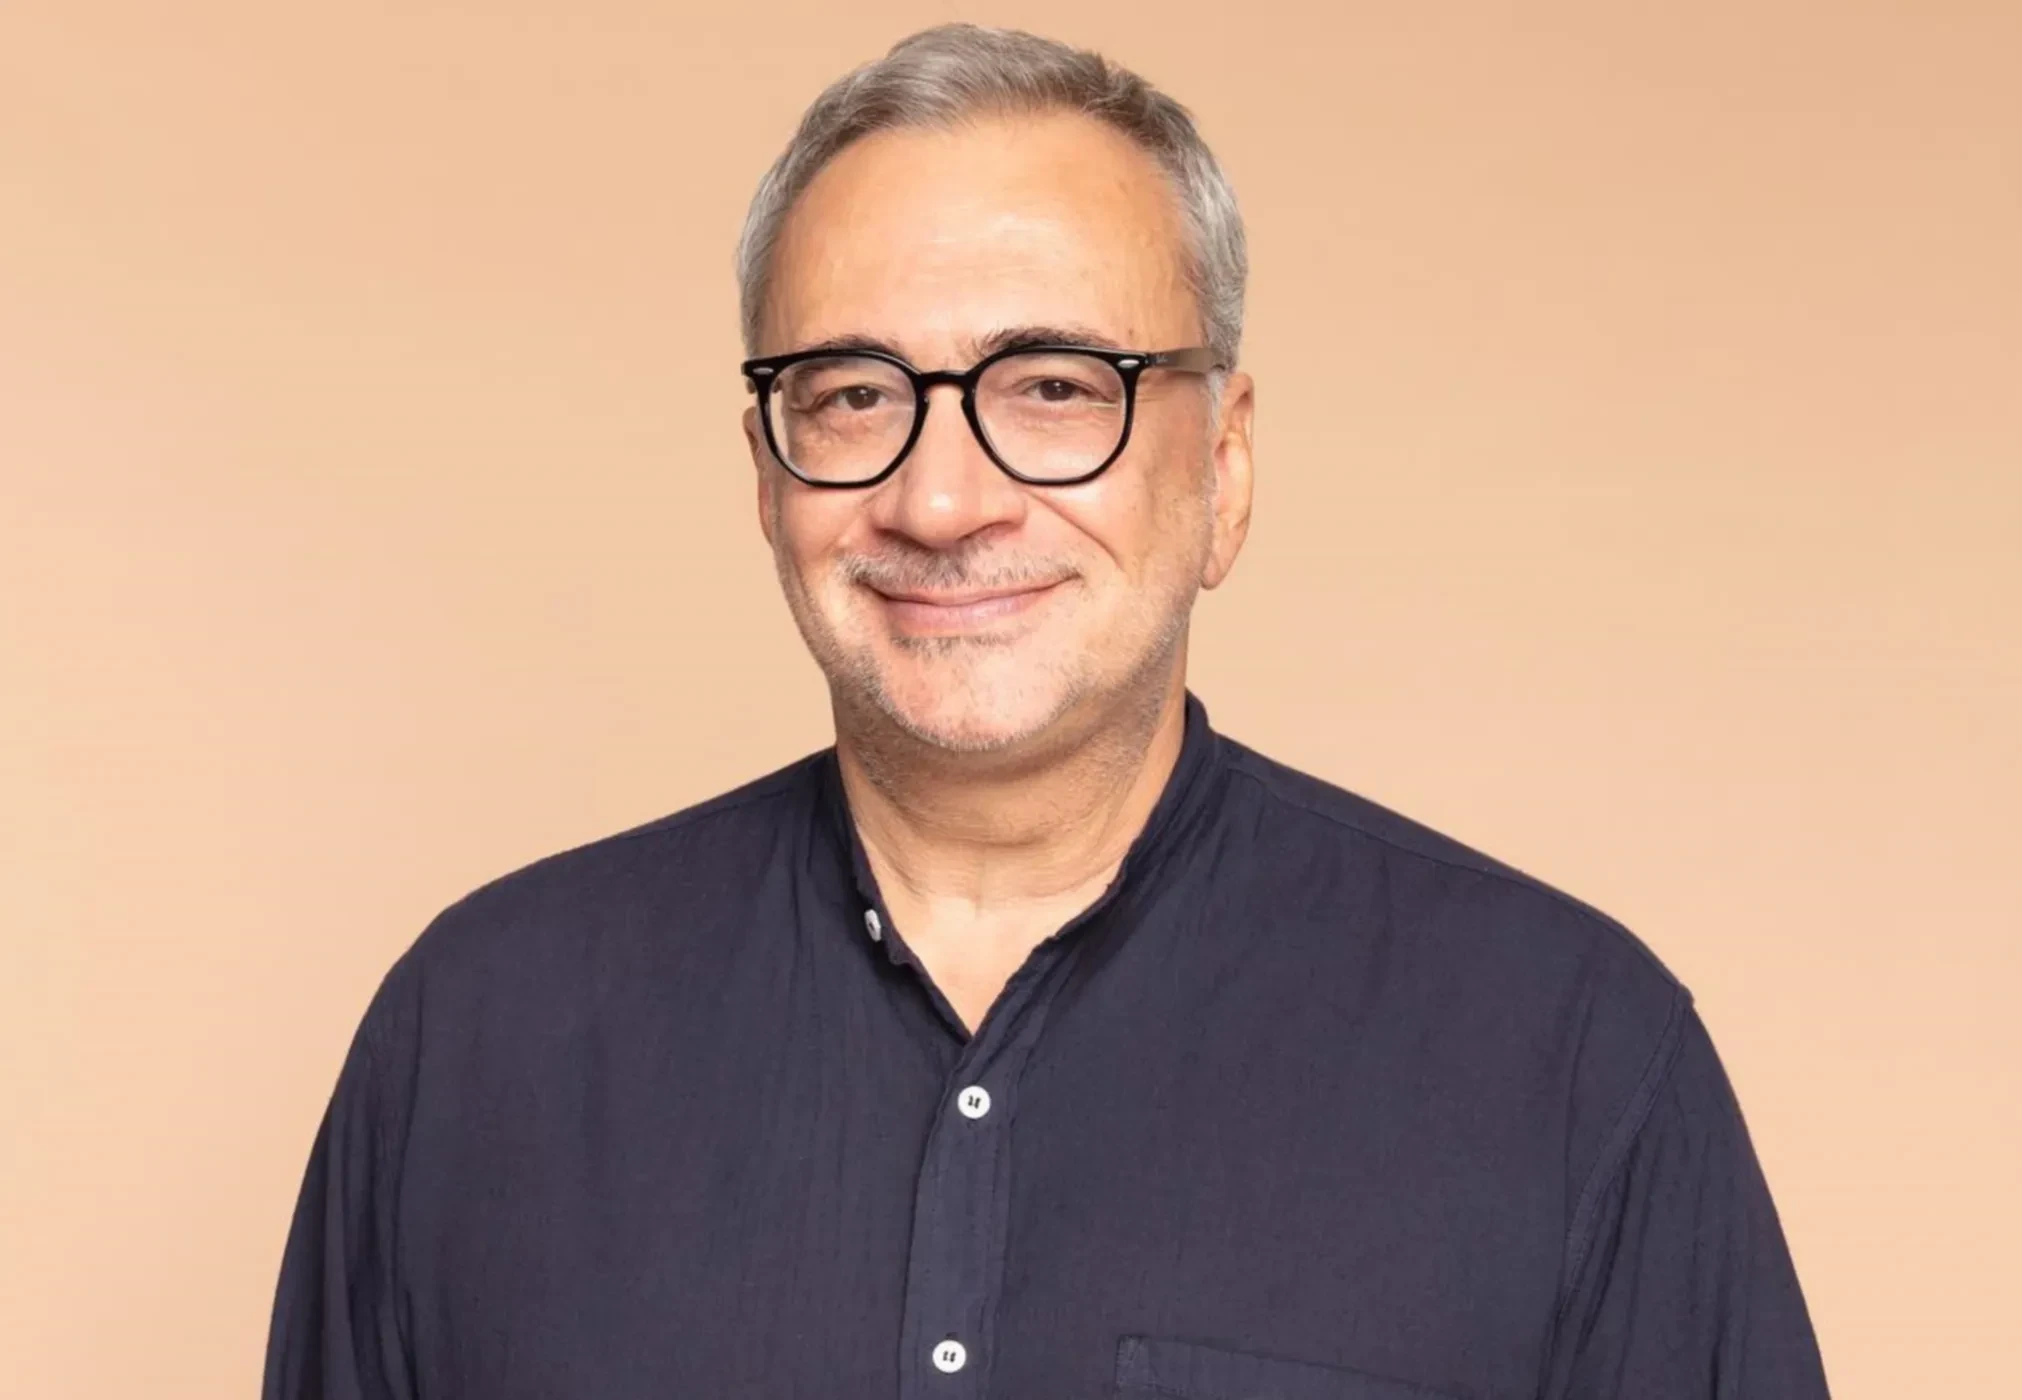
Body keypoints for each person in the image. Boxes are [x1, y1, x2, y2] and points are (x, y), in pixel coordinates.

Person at [264, 23, 1830, 1400]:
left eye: (1056, 387)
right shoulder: (479, 1039)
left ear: (1222, 470)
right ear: (764, 476)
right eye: (853, 394)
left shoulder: (1564, 1054)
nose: (941, 500)